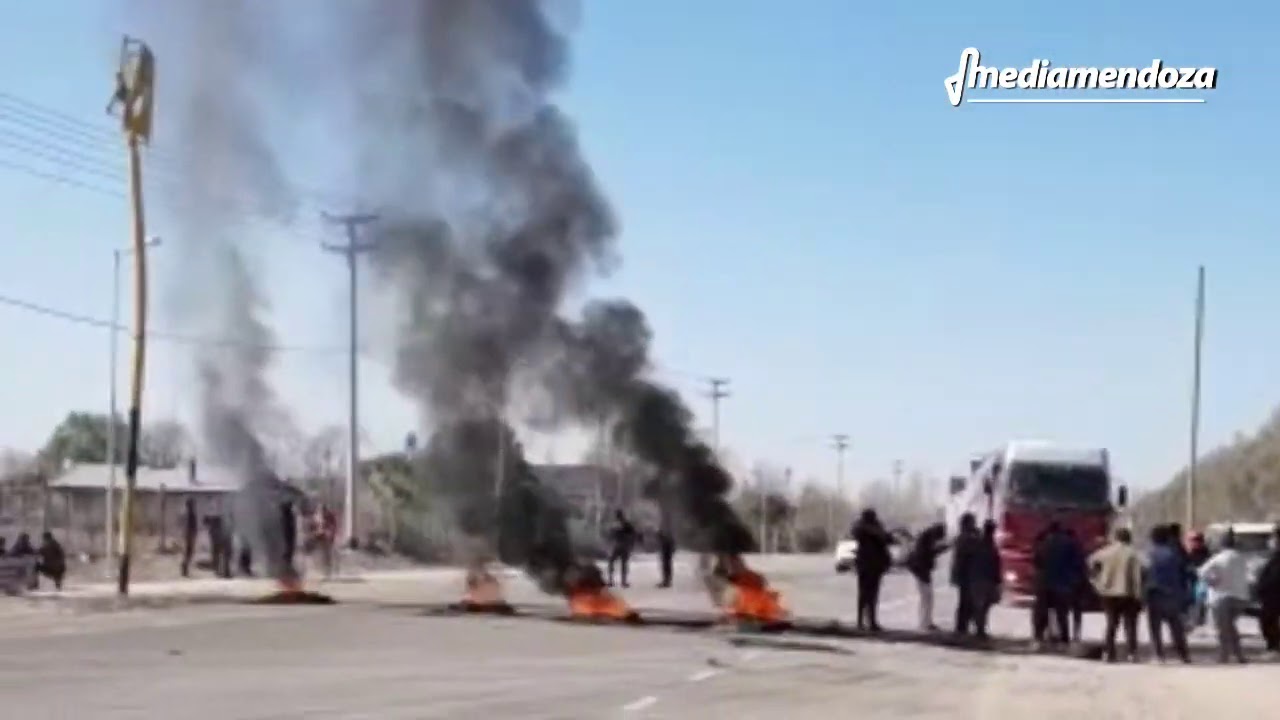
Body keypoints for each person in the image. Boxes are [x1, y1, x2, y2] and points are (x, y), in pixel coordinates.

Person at [1088, 527, 1145, 663]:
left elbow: (1091, 562)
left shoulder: (1105, 552)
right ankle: (1132, 653)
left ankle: (1108, 653)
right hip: (1128, 592)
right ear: (1129, 538)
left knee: (1111, 623)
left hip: (1108, 592)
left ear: (1115, 538)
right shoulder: (1134, 554)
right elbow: (1142, 572)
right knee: (1130, 625)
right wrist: (1140, 593)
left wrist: (1096, 582)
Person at [1199, 528, 1250, 664]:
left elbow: (1202, 572)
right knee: (1230, 626)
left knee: (1223, 629)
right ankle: (1238, 655)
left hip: (1221, 597)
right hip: (1240, 597)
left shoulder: (1218, 558)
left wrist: (1212, 581)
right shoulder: (1241, 558)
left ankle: (1224, 655)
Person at [1145, 525, 1191, 663]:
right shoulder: (1174, 554)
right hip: (1173, 593)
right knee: (1176, 626)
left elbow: (1144, 575)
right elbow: (1184, 573)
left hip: (1154, 593)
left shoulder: (1149, 554)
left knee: (1155, 627)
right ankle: (1184, 655)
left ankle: (1159, 655)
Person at [1032, 521, 1075, 648]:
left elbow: (1036, 562)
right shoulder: (1069, 543)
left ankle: (1038, 638)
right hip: (1062, 583)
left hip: (1044, 583)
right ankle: (1064, 640)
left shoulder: (1042, 544)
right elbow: (1074, 562)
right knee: (1062, 613)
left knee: (1041, 612)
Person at [852, 508, 894, 632]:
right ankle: (866, 621)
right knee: (868, 595)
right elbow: (884, 538)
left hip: (869, 565)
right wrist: (883, 533)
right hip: (869, 565)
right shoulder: (865, 528)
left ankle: (866, 621)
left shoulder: (863, 527)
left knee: (867, 595)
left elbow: (887, 539)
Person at [906, 523, 949, 631]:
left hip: (920, 569)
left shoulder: (925, 538)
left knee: (926, 597)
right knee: (927, 597)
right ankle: (925, 623)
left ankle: (926, 621)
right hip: (921, 570)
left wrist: (942, 548)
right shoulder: (926, 540)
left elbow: (930, 552)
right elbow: (928, 554)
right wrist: (943, 548)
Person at [969, 520, 1003, 638]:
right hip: (985, 579)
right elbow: (995, 563)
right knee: (983, 605)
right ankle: (980, 628)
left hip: (978, 578)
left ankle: (980, 627)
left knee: (982, 605)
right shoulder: (988, 545)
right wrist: (998, 580)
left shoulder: (979, 543)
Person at [950, 512, 981, 635]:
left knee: (966, 601)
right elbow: (972, 550)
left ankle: (963, 626)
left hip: (965, 575)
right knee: (965, 602)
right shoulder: (965, 538)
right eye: (972, 522)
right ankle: (961, 627)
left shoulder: (963, 537)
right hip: (965, 575)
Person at [1255, 525, 1280, 657]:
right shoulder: (1274, 557)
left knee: (1268, 621)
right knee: (1268, 621)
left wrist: (1263, 587)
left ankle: (1274, 647)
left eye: (1273, 538)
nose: (1271, 541)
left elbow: (1274, 577)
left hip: (1274, 596)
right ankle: (1274, 646)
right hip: (1270, 596)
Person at [606, 509, 637, 588]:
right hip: (623, 546)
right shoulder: (625, 524)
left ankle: (611, 581)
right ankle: (623, 582)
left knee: (612, 562)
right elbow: (633, 534)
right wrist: (631, 544)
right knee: (623, 563)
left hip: (619, 545)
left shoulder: (618, 524)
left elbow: (611, 535)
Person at [656, 516, 676, 589]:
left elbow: (667, 539)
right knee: (666, 565)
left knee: (666, 565)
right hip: (666, 549)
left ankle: (667, 581)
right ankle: (666, 580)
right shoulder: (668, 530)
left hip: (667, 549)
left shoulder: (667, 530)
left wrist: (660, 535)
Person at [180, 498, 198, 578]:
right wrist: (192, 535)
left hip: (187, 534)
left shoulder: (186, 513)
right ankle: (184, 567)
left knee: (187, 552)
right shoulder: (191, 514)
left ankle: (185, 568)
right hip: (190, 534)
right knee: (189, 552)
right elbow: (192, 526)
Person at [280, 500, 298, 571]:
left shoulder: (286, 516)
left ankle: (287, 564)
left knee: (289, 549)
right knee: (289, 548)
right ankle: (287, 564)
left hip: (288, 535)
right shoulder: (288, 516)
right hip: (288, 535)